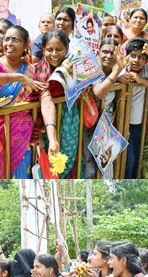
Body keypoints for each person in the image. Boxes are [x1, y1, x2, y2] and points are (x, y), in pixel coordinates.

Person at [0, 26, 46, 178]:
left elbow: (39, 101)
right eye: (6, 39)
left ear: (26, 45)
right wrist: (18, 78)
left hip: (23, 134)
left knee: (22, 176)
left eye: (15, 40)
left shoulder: (32, 70)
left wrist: (39, 133)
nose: (9, 43)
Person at [30, 30, 80, 178]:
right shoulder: (37, 71)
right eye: (49, 50)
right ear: (43, 49)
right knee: (50, 162)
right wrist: (50, 138)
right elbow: (47, 103)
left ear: (67, 48)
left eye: (59, 50)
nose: (54, 54)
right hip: (46, 123)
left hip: (70, 118)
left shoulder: (75, 66)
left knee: (68, 159)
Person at [81, 39, 127, 178]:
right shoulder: (92, 71)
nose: (108, 55)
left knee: (106, 170)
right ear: (98, 53)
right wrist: (118, 70)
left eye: (112, 53)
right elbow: (99, 93)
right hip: (89, 128)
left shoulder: (115, 75)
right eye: (105, 52)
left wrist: (117, 76)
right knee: (90, 169)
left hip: (105, 129)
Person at [117, 37, 148, 178]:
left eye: (141, 57)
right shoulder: (121, 70)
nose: (136, 60)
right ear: (126, 56)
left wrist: (140, 80)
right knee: (128, 161)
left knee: (136, 159)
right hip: (124, 123)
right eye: (133, 56)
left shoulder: (146, 70)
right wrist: (117, 79)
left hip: (139, 123)